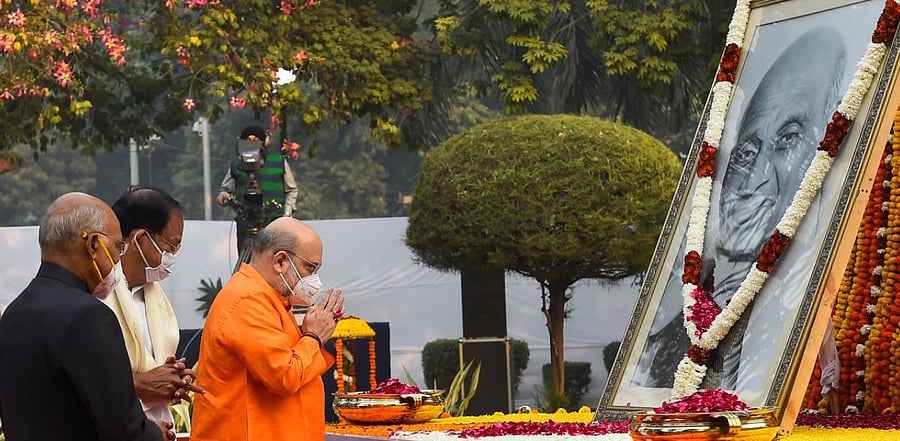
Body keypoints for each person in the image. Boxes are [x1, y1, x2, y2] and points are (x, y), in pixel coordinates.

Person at [634, 27, 847, 390]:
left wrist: (826, 352)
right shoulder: (673, 331)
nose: (756, 180)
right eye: (747, 154)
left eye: (789, 138)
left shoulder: (796, 301)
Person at [0, 192, 173, 441]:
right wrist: (155, 432)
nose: (118, 259)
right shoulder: (90, 317)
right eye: (117, 247)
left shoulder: (14, 313)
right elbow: (124, 431)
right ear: (93, 245)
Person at [190, 217, 345, 441]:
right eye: (310, 268)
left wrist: (310, 333)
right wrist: (313, 337)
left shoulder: (270, 299)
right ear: (280, 261)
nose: (314, 280)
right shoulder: (247, 301)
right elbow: (284, 376)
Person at [104, 187, 204, 423]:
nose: (173, 256)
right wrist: (140, 383)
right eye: (171, 246)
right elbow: (85, 373)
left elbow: (154, 369)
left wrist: (171, 378)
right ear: (140, 239)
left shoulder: (154, 297)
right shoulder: (99, 293)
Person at [216, 125, 299, 253]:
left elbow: (291, 190)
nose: (251, 143)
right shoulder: (236, 164)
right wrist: (224, 197)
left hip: (274, 223)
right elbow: (225, 189)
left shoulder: (279, 161)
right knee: (246, 263)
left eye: (256, 140)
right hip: (245, 222)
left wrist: (287, 214)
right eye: (248, 140)